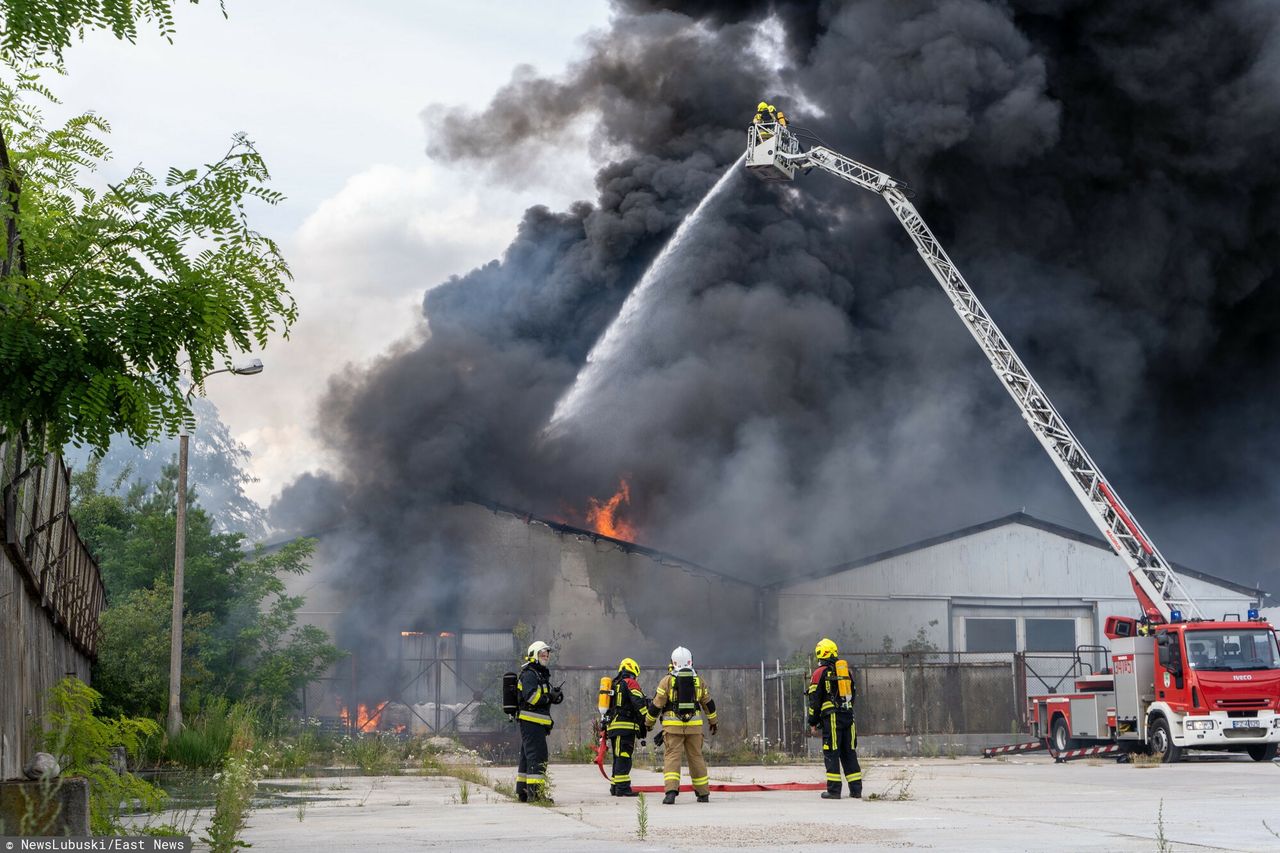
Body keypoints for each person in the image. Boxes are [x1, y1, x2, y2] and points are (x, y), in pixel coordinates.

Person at [644, 646, 717, 805]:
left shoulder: (667, 681)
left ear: (673, 662)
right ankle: (703, 793)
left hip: (672, 728)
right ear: (691, 661)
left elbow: (656, 705)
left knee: (672, 758)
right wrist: (713, 722)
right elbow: (708, 704)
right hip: (695, 727)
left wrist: (648, 723)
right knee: (696, 758)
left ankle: (671, 793)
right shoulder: (699, 681)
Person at [807, 637, 862, 799]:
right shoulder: (846, 672)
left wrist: (812, 721)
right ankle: (856, 790)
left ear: (820, 653)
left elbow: (814, 700)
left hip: (831, 720)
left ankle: (834, 791)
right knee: (849, 752)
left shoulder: (819, 673)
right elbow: (854, 695)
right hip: (848, 717)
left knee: (831, 752)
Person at [516, 640, 562, 803]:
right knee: (537, 756)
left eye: (547, 653)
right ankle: (536, 795)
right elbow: (531, 697)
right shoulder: (529, 674)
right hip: (531, 722)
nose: (546, 655)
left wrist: (553, 696)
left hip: (535, 723)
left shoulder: (538, 673)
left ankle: (523, 791)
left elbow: (540, 697)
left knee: (528, 756)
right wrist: (549, 697)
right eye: (543, 653)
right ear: (534, 654)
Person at [606, 657, 649, 797]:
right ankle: (623, 788)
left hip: (614, 726)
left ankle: (615, 786)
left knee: (618, 757)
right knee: (624, 757)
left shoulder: (614, 684)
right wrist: (647, 720)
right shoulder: (630, 682)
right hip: (625, 727)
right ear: (634, 670)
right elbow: (639, 704)